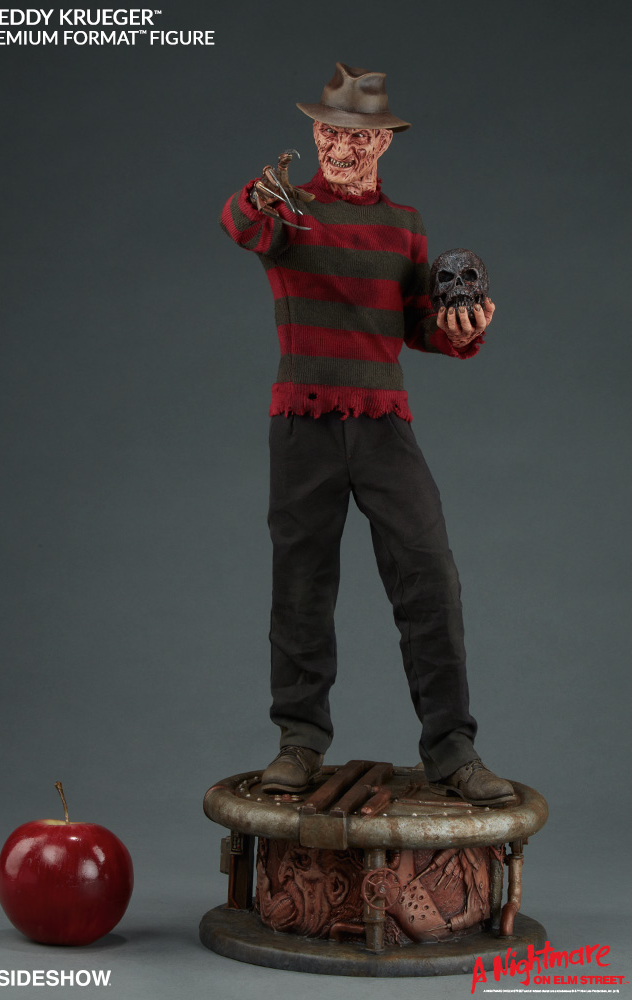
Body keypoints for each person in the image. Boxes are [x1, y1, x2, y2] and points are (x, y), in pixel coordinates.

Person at [220, 63, 514, 805]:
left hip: (383, 422)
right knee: (301, 583)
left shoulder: (404, 225)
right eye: (327, 132)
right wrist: (257, 194)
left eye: (355, 136)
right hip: (304, 422)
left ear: (383, 142)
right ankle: (298, 740)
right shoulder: (290, 211)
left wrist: (460, 330)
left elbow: (415, 323)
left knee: (429, 576)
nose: (338, 147)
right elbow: (243, 225)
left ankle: (452, 748)